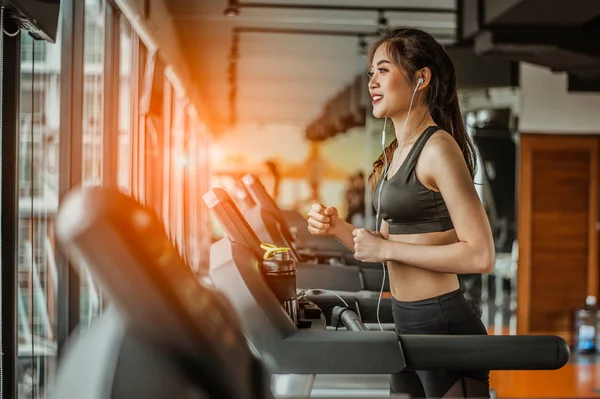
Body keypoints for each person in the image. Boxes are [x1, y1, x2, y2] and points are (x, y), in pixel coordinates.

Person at [306, 27, 495, 399]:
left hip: (442, 323)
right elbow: (384, 246)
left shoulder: (438, 149)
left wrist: (388, 250)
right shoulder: (395, 155)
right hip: (407, 321)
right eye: (371, 73)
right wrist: (337, 228)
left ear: (421, 78)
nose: (372, 82)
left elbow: (480, 254)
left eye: (383, 70)